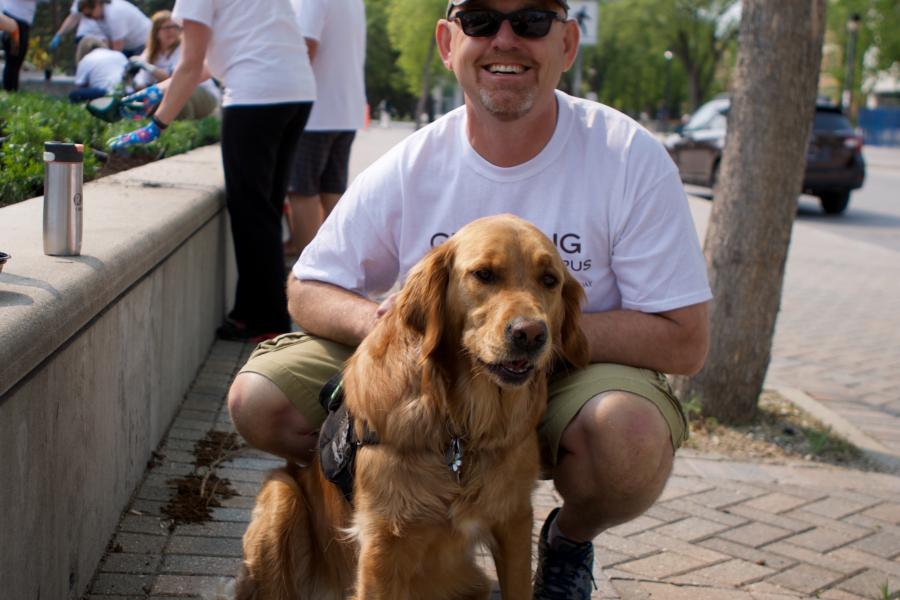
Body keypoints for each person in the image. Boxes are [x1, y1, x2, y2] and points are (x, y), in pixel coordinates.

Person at [227, 0, 712, 598]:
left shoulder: (627, 157)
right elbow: (305, 285)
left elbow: (686, 340)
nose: (505, 39)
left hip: (571, 374)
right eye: (481, 20)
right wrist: (381, 320)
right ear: (447, 42)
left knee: (628, 440)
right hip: (429, 361)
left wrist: (549, 331)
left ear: (566, 44)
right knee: (259, 399)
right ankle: (403, 523)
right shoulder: (412, 162)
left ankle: (567, 544)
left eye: (531, 21)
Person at [107, 0, 316, 343]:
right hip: (297, 93)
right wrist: (159, 91)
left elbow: (190, 65)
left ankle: (267, 320)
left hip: (255, 98)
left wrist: (158, 123)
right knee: (266, 207)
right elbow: (214, 59)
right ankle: (254, 312)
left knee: (251, 211)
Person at [282, 0, 366, 259]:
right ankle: (338, 263)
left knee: (302, 190)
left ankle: (310, 269)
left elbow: (305, 50)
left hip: (314, 112)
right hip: (345, 108)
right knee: (332, 189)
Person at [131, 10, 219, 120]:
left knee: (178, 91)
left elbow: (177, 80)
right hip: (171, 94)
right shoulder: (150, 53)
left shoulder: (184, 48)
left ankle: (185, 129)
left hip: (204, 95)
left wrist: (151, 69)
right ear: (156, 31)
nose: (171, 31)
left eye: (175, 27)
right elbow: (142, 83)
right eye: (167, 28)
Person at [76, 0, 150, 57]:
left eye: (89, 14)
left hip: (144, 43)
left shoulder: (114, 14)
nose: (91, 18)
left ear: (97, 4)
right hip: (130, 46)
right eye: (87, 16)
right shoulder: (100, 16)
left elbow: (117, 47)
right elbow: (109, 42)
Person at [68, 36, 128, 102]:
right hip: (126, 91)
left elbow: (80, 85)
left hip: (105, 93)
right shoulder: (119, 54)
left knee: (74, 94)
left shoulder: (86, 59)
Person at [1, 0, 37, 91]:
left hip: (24, 22)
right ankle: (8, 90)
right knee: (12, 58)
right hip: (12, 17)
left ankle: (13, 90)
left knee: (18, 59)